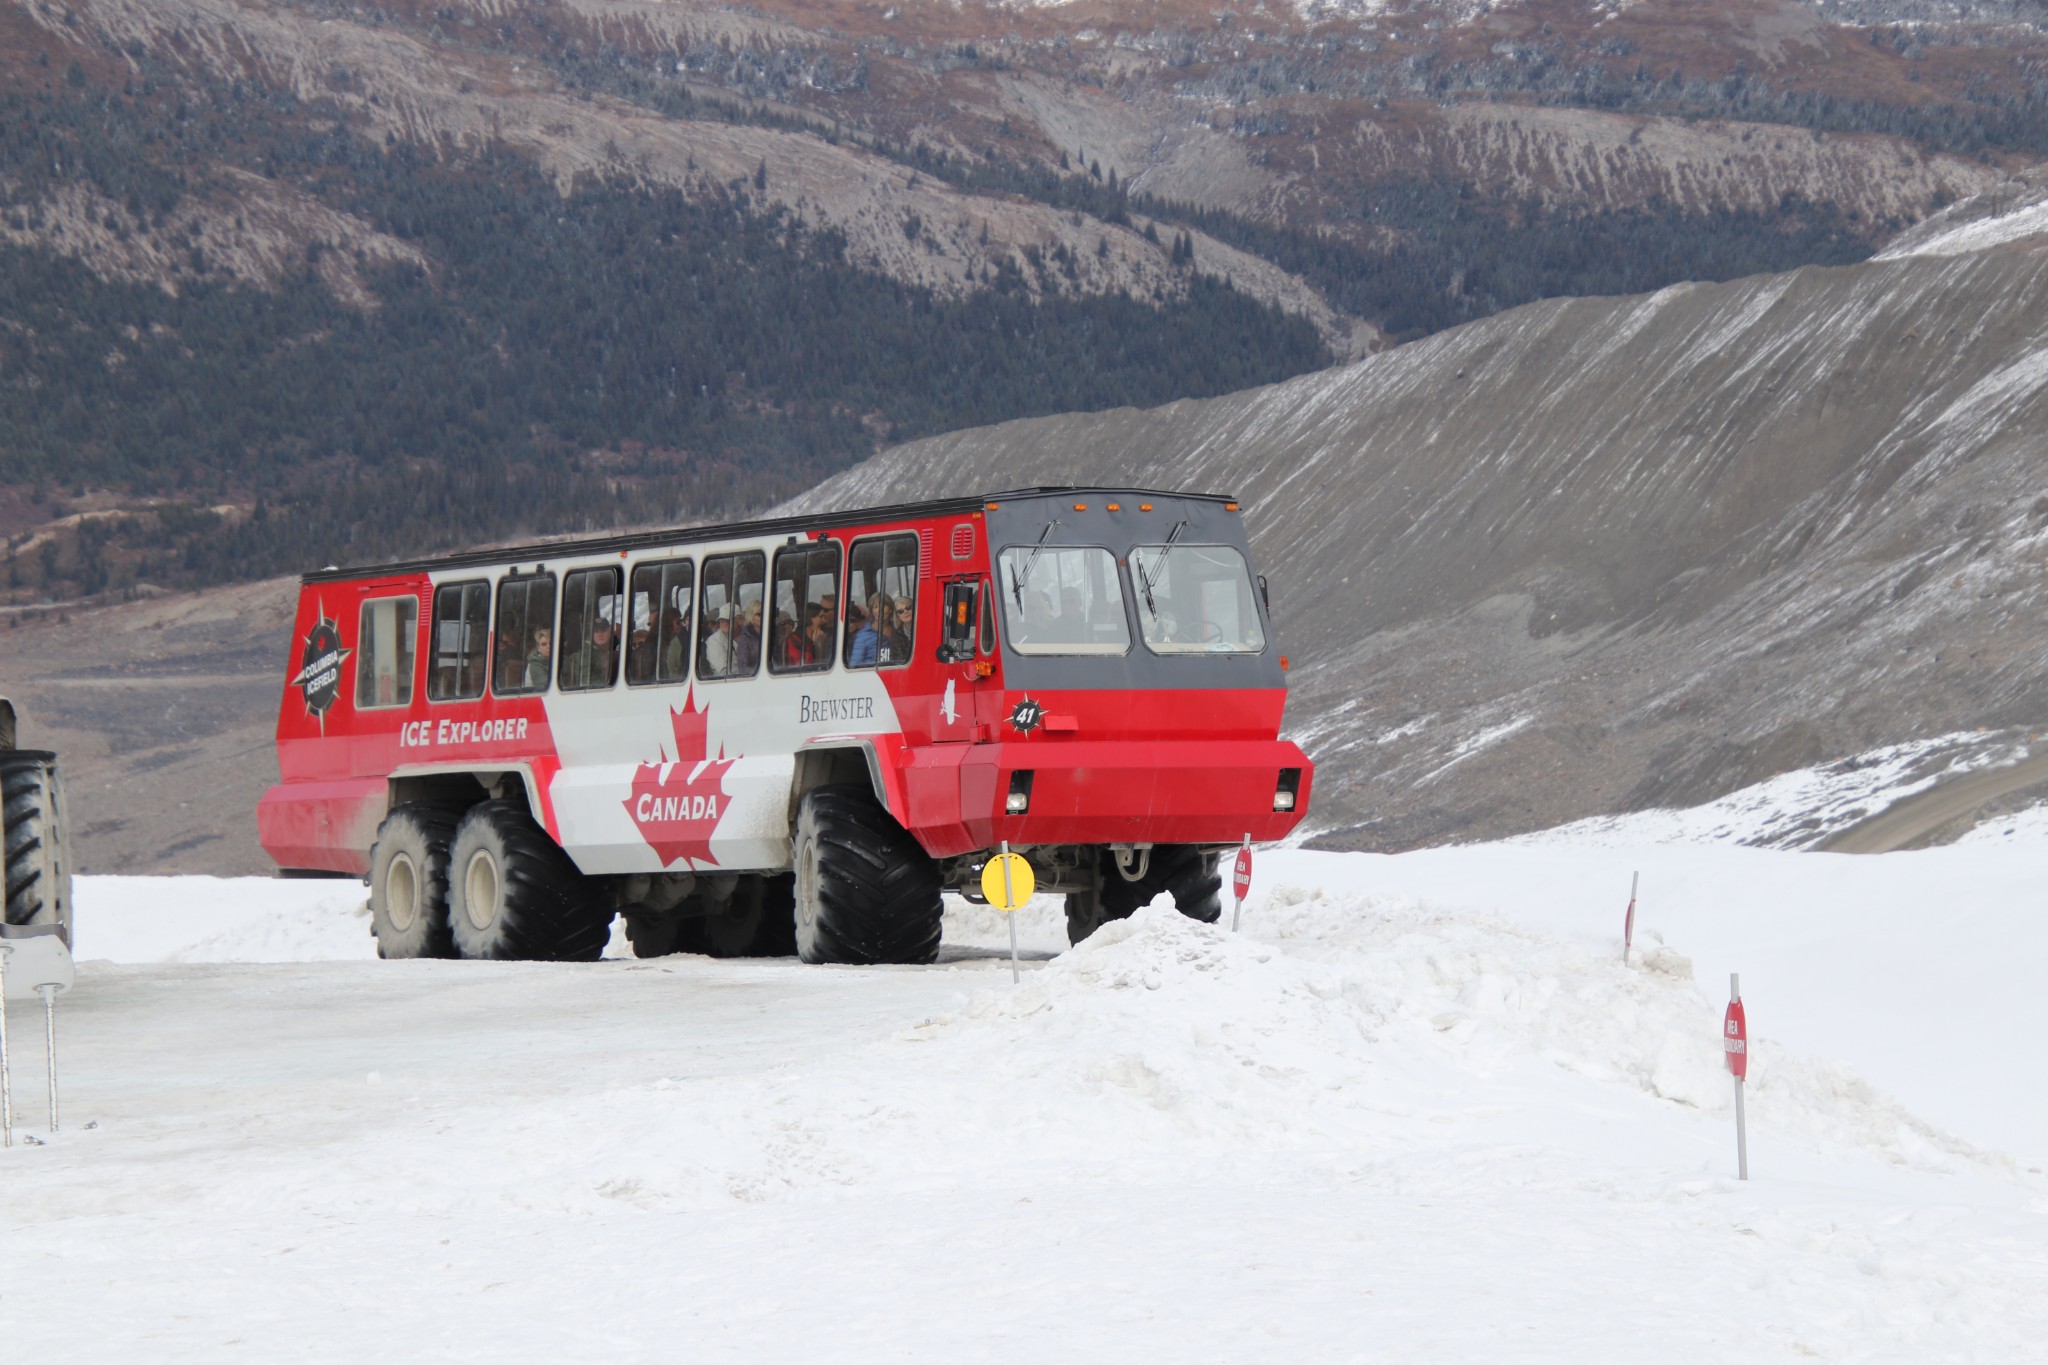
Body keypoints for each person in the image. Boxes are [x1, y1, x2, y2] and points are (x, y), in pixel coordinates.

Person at [563, 616, 618, 690]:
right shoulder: (586, 655)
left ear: (610, 632)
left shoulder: (617, 653)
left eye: (603, 630)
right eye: (596, 631)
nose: (600, 634)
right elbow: (588, 681)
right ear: (592, 635)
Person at [849, 593, 885, 667]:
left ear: (862, 620)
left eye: (852, 620)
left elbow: (854, 665)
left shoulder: (862, 637)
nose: (849, 624)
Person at [700, 607, 734, 678]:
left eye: (713, 623)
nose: (710, 626)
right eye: (721, 621)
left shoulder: (732, 637)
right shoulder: (713, 641)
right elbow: (723, 671)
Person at [660, 606, 689, 680]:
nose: (681, 625)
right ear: (669, 624)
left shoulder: (683, 638)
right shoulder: (664, 644)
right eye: (678, 622)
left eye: (681, 621)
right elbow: (671, 672)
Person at [735, 601, 762, 674]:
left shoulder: (770, 635)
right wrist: (760, 673)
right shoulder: (745, 638)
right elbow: (743, 668)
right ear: (751, 616)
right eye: (759, 614)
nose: (763, 616)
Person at [524, 626, 552, 690]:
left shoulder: (562, 660)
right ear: (538, 648)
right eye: (544, 644)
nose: (548, 646)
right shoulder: (534, 664)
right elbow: (544, 687)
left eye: (551, 643)